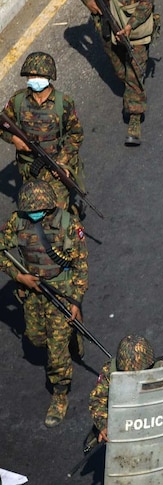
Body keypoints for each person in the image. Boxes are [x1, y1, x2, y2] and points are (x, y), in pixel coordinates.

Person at [0, 180, 88, 427]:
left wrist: (77, 301)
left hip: (61, 291)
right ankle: (72, 334)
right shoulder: (18, 222)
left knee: (56, 351)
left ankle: (60, 394)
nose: (34, 215)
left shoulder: (68, 225)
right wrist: (19, 276)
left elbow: (80, 265)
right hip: (33, 292)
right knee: (37, 339)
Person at [1, 52, 85, 213]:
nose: (33, 79)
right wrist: (13, 138)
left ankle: (69, 212)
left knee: (56, 213)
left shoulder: (63, 102)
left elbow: (76, 134)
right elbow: (2, 124)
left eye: (37, 75)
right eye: (30, 76)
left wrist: (62, 161)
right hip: (29, 167)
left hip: (55, 164)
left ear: (48, 76)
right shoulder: (18, 100)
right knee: (33, 213)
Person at [81, 0, 156, 145]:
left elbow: (147, 3)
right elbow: (69, 33)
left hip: (134, 20)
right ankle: (131, 87)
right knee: (122, 72)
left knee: (133, 72)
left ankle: (135, 116)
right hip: (107, 20)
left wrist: (130, 25)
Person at [89, 335, 163, 444]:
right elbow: (97, 400)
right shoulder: (110, 371)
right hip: (121, 417)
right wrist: (104, 425)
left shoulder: (160, 369)